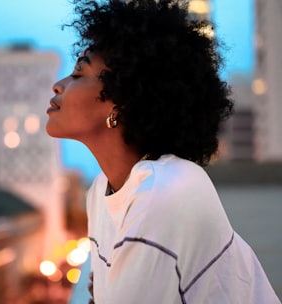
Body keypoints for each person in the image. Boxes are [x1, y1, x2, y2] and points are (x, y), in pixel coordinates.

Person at [46, 0, 281, 303]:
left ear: (122, 101)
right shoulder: (100, 192)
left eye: (78, 73)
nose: (58, 85)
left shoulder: (164, 192)